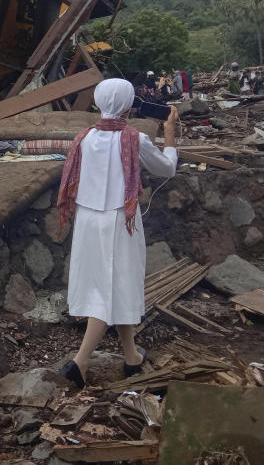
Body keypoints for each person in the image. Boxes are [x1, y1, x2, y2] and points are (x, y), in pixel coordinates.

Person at [54, 79, 178, 388]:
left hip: (87, 220)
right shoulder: (135, 139)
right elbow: (167, 169)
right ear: (128, 104)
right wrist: (170, 134)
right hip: (121, 219)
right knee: (112, 287)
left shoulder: (83, 137)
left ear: (97, 102)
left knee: (114, 283)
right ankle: (80, 362)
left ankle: (132, 356)